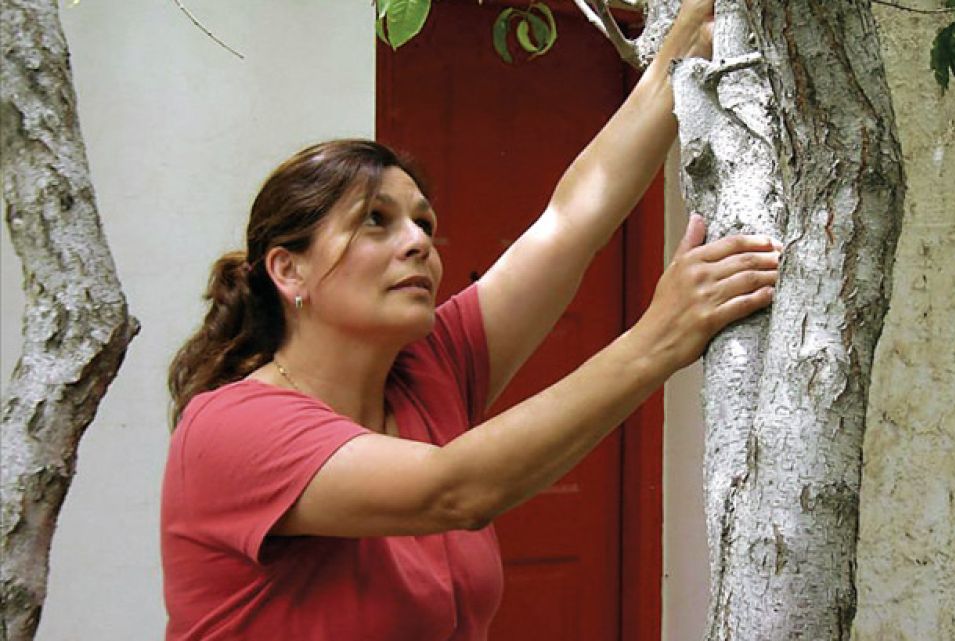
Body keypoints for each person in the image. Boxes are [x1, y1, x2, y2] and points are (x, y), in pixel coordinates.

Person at [160, 0, 781, 638]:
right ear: (287, 271)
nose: (418, 243)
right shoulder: (231, 427)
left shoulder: (430, 368)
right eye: (375, 220)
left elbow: (571, 222)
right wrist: (660, 337)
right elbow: (455, 490)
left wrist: (677, 60)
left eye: (422, 223)